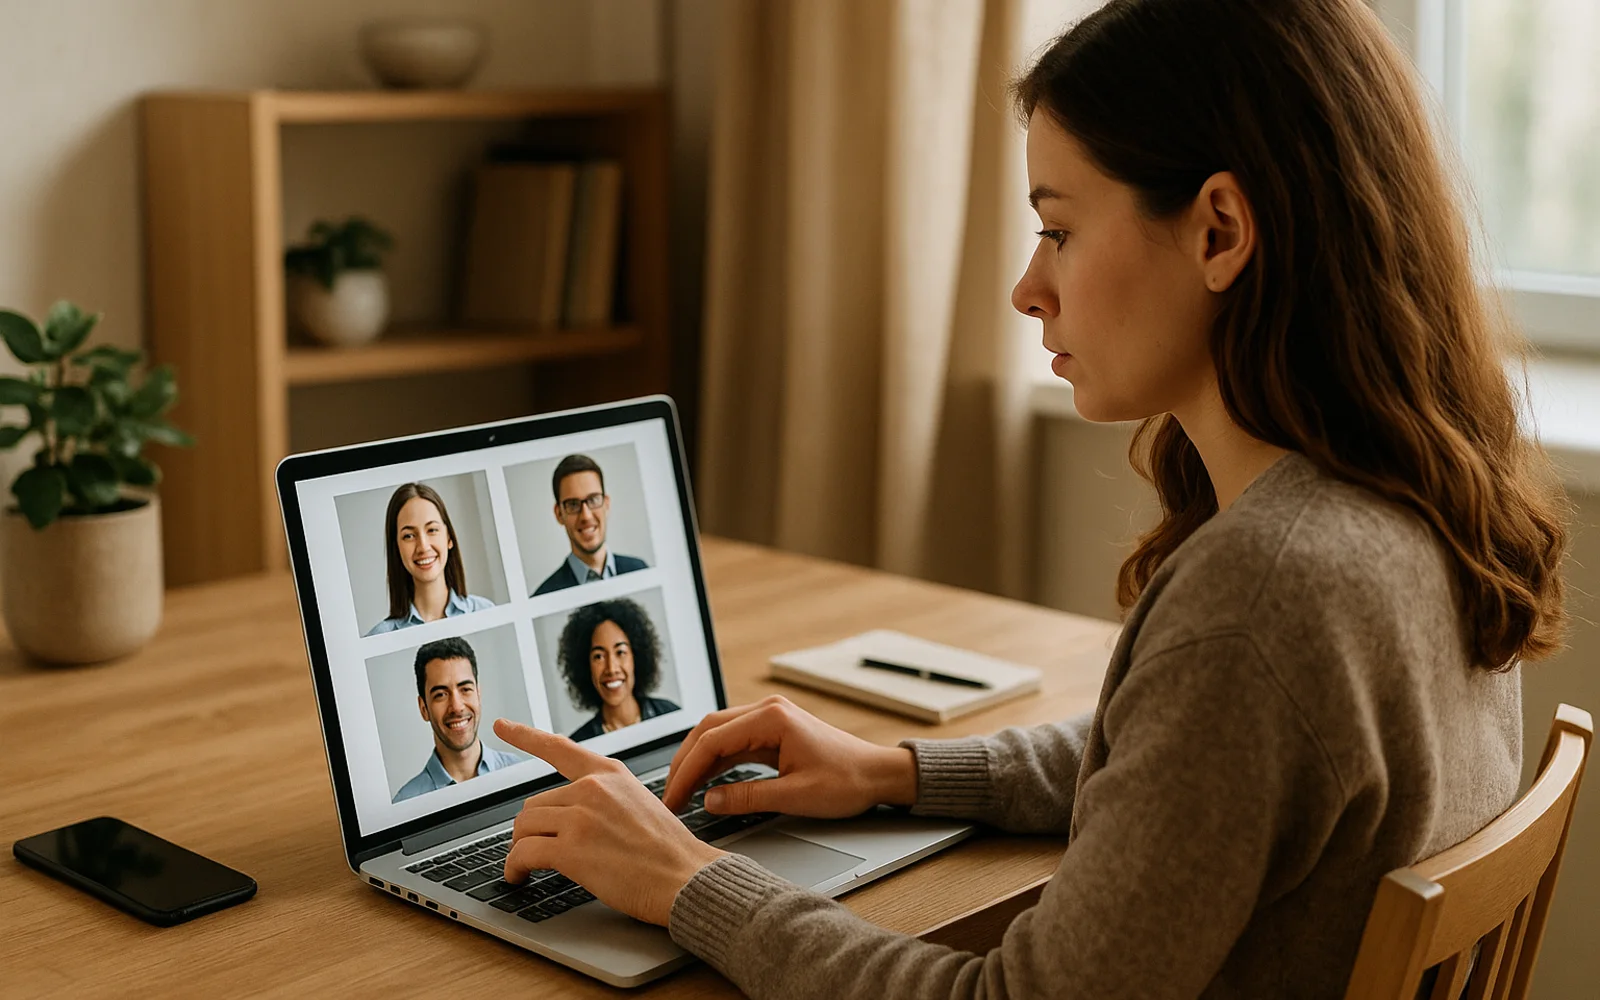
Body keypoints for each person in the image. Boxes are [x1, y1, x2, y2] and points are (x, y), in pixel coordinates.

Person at [484, 1, 1571, 997]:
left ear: (1219, 231)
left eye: (1057, 227)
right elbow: (1184, 774)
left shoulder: (1264, 598)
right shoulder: (1405, 506)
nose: (1025, 286)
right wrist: (896, 770)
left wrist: (686, 879)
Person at [392, 637, 521, 803]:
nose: (457, 707)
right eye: (441, 695)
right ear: (423, 708)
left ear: (478, 695)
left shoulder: (518, 770)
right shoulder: (405, 803)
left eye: (465, 689)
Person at [365, 483, 496, 637]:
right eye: (409, 536)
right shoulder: (380, 637)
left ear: (449, 538)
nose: (423, 546)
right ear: (397, 548)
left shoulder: (486, 613)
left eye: (432, 530)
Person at [555, 598, 681, 741]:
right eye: (599, 656)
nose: (611, 668)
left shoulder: (671, 715)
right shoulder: (579, 746)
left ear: (636, 657)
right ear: (585, 666)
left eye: (620, 652)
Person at [531, 454, 649, 596]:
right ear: (559, 514)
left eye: (593, 500)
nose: (586, 516)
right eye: (573, 504)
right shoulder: (544, 598)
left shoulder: (641, 572)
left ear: (606, 504)